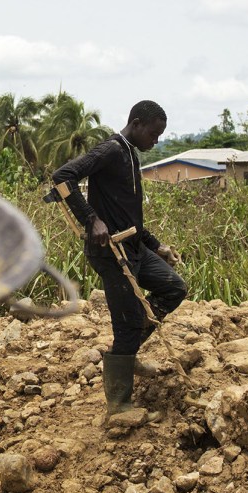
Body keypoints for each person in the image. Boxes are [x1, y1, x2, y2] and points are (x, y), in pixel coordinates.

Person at [50, 100, 187, 421]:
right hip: (111, 252)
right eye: (154, 134)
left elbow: (129, 215)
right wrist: (91, 220)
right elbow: (62, 176)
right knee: (127, 321)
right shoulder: (111, 150)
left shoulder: (130, 154)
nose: (156, 141)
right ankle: (119, 405)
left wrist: (157, 246)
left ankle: (128, 352)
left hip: (134, 247)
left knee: (173, 288)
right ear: (136, 123)